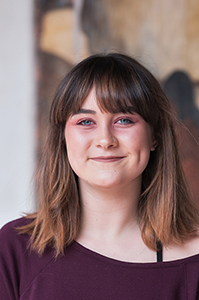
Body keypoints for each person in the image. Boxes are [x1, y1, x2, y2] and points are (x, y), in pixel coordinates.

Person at [1, 53, 199, 300]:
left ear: (155, 136)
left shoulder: (194, 261)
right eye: (86, 121)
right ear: (63, 137)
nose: (105, 140)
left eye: (124, 120)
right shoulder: (14, 251)